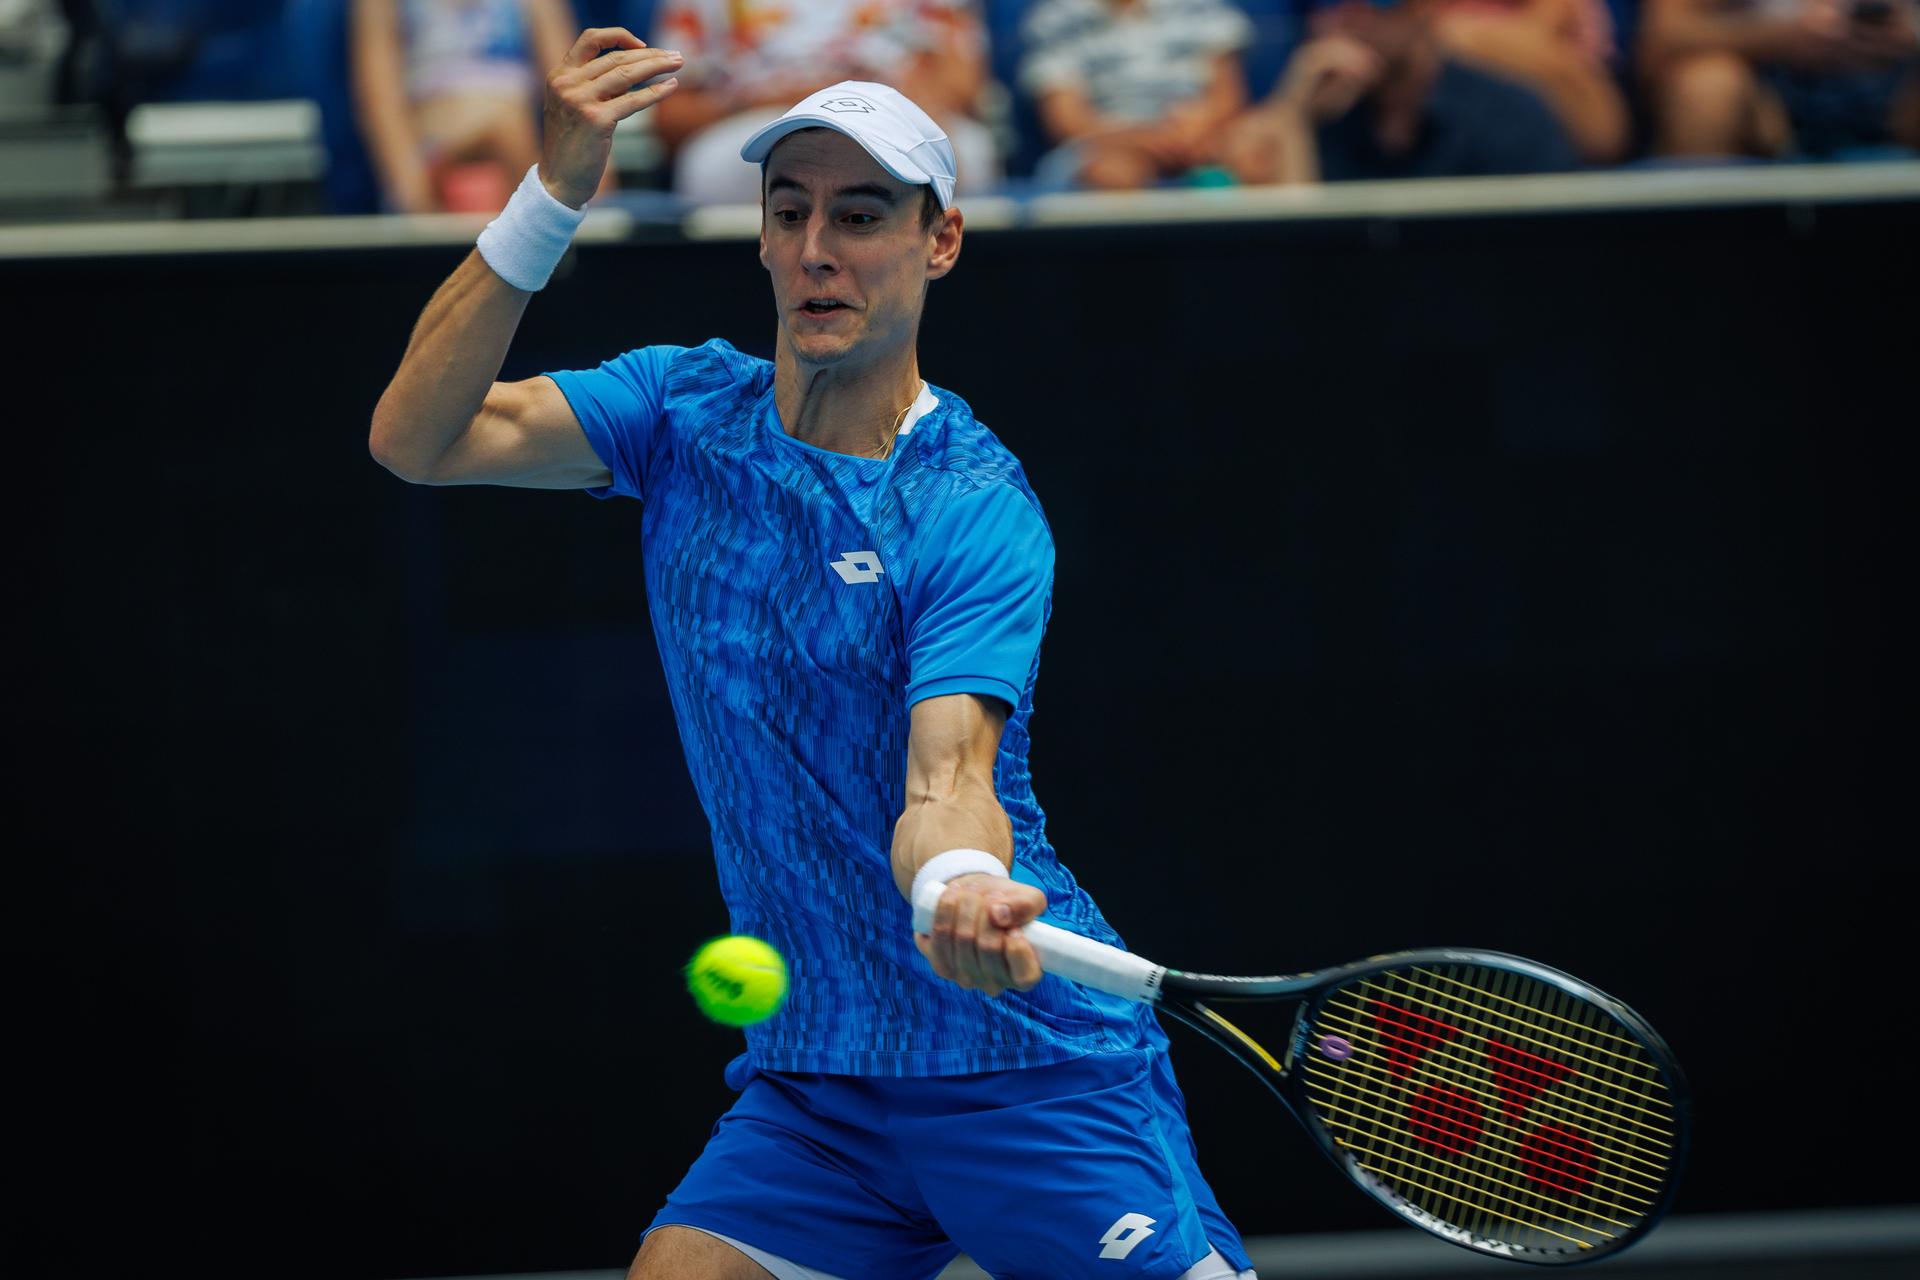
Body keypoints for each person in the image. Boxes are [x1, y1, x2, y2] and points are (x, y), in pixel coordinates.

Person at [368, 26, 1256, 1280]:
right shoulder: (679, 410)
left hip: (1023, 1064)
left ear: (938, 239)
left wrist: (956, 880)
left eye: (861, 214)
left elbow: (947, 773)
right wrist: (554, 186)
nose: (816, 251)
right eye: (788, 213)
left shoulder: (969, 504)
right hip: (822, 1085)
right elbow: (415, 436)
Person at [649, 0, 999, 205]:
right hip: (764, 115)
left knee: (967, 151)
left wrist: (915, 101)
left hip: (893, 108)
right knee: (709, 166)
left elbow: (964, 85)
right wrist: (772, 99)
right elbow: (671, 113)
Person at [1222, 0, 1581, 184]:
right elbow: (1288, 266)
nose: (1355, 14)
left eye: (1382, 1)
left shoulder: (1511, 117)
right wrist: (1294, 115)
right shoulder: (1314, 115)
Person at [349, 0, 581, 213]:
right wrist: (412, 191)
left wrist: (586, 172)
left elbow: (567, 83)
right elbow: (379, 96)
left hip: (515, 146)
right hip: (433, 151)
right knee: (505, 129)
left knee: (507, 130)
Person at [1017, 0, 1253, 190]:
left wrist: (1200, 127)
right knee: (1114, 173)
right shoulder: (1054, 17)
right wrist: (1145, 138)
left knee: (1252, 156)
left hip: (1198, 137)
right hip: (1104, 143)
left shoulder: (1203, 7)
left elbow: (1227, 96)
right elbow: (1068, 122)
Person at [1638, 0, 1920, 158]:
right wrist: (1777, 38)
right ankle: (1694, 252)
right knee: (1707, 89)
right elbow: (1664, 36)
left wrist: (1909, 33)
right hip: (1765, 104)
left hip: (1898, 103)